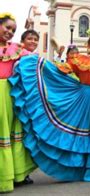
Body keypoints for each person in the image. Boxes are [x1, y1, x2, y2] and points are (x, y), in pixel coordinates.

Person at [9, 28, 90, 182]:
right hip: (87, 100)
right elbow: (62, 70)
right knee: (89, 131)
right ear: (88, 46)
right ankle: (87, 167)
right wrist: (43, 63)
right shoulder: (80, 60)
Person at [0, 13, 36, 193]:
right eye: (7, 27)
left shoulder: (16, 48)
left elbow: (35, 60)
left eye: (13, 30)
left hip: (11, 92)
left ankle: (18, 175)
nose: (10, 32)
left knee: (16, 131)